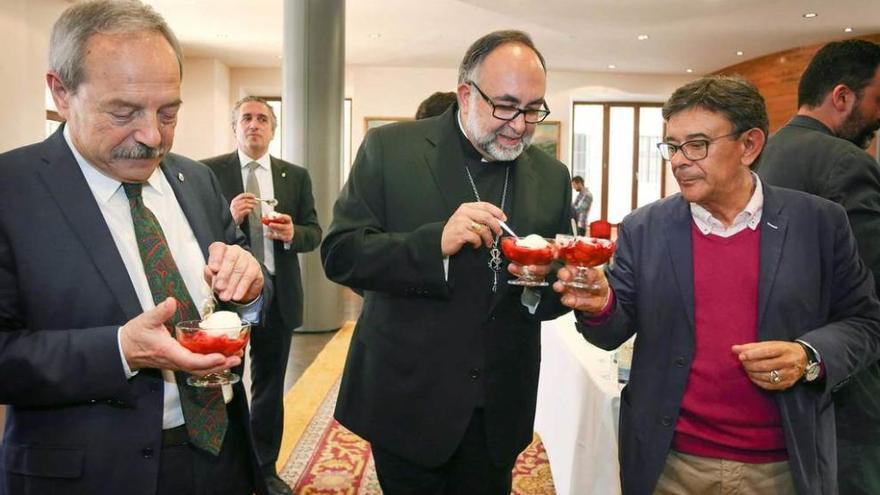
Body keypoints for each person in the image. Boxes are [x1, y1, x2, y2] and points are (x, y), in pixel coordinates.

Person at [555, 75, 880, 494]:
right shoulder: (646, 228)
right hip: (669, 463)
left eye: (697, 145)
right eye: (672, 146)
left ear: (749, 146)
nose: (678, 161)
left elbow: (865, 321)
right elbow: (614, 329)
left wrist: (809, 355)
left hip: (783, 465)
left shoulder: (818, 223)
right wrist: (600, 305)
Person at [0, 1, 270, 494]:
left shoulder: (198, 179)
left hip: (221, 455)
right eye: (123, 112)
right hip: (92, 475)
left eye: (168, 112)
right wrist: (121, 350)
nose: (151, 137)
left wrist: (249, 290)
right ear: (61, 93)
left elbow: (240, 296)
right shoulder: (9, 190)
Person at [321, 30, 572, 494]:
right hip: (409, 397)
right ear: (464, 94)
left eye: (534, 109)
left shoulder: (552, 177)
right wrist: (433, 243)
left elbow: (555, 290)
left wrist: (550, 282)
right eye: (506, 105)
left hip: (499, 406)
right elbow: (340, 254)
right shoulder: (391, 149)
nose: (519, 125)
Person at [757, 39, 880, 495]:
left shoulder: (762, 153)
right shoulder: (847, 163)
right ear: (843, 97)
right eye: (877, 101)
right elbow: (870, 285)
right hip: (840, 380)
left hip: (773, 368)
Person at [202, 96, 322, 495]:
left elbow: (314, 231)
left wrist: (293, 234)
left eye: (262, 119)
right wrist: (226, 221)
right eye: (246, 118)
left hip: (278, 295)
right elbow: (195, 236)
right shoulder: (208, 173)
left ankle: (265, 469)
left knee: (270, 388)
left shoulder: (295, 176)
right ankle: (227, 465)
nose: (254, 125)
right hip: (226, 301)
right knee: (225, 384)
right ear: (234, 127)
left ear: (273, 129)